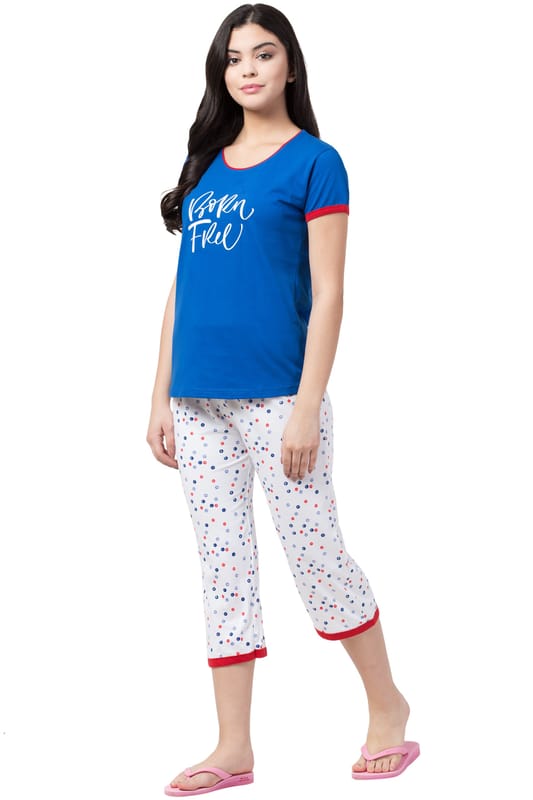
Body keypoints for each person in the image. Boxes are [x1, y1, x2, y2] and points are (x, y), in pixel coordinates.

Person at [146, 3, 419, 794]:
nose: (248, 69)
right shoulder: (203, 164)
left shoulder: (315, 163)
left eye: (263, 54)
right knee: (223, 569)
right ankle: (233, 746)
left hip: (277, 399)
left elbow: (329, 293)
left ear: (289, 66)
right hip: (197, 403)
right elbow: (183, 288)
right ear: (220, 72)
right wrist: (159, 395)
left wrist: (307, 404)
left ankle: (388, 707)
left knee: (316, 557)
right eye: (234, 58)